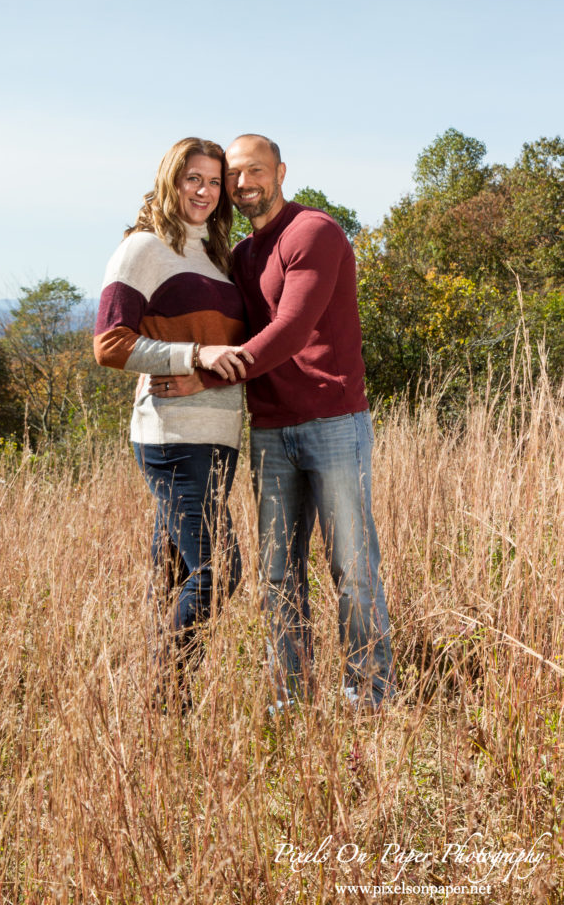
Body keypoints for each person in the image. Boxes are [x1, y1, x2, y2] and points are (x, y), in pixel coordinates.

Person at [153, 134, 396, 711]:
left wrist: (202, 377)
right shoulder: (241, 256)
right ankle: (292, 696)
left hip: (332, 420)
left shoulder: (314, 232)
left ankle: (369, 693)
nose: (241, 185)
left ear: (281, 171)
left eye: (254, 171)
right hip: (269, 429)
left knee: (352, 567)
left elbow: (289, 331)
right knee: (279, 572)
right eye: (232, 176)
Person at [94, 137, 252, 710]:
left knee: (176, 572)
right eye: (193, 179)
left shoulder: (216, 258)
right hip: (170, 436)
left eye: (214, 182)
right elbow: (110, 345)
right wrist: (191, 356)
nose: (204, 191)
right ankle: (165, 695)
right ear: (170, 180)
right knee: (218, 570)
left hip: (219, 435)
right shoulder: (142, 248)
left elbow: (231, 352)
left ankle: (163, 724)